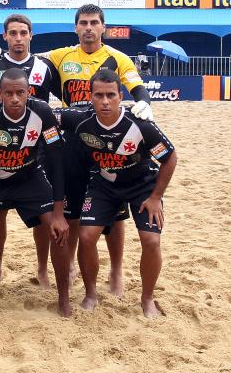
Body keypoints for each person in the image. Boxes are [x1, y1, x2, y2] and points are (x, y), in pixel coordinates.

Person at [44, 4, 154, 296]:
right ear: (76, 27)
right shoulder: (61, 56)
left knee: (115, 213)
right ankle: (68, 265)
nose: (89, 27)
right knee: (72, 207)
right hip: (73, 139)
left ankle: (116, 270)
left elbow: (136, 85)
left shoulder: (117, 58)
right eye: (83, 22)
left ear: (103, 27)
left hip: (107, 140)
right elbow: (27, 60)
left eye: (94, 22)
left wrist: (145, 102)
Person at [55, 69, 176, 318]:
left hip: (142, 184)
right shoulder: (80, 119)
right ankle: (90, 294)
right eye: (99, 95)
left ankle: (147, 299)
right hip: (103, 184)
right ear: (90, 97)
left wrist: (155, 198)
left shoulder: (140, 124)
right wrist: (0, 100)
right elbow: (45, 114)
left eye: (111, 95)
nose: (105, 101)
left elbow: (170, 157)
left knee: (151, 240)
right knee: (87, 237)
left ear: (121, 96)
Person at [0, 68, 71, 316]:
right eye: (8, 93)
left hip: (28, 176)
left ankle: (64, 299)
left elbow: (56, 161)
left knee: (58, 229)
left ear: (29, 92)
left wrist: (59, 212)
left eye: (20, 93)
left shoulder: (42, 111)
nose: (15, 99)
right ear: (0, 93)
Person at [0, 14, 62, 286]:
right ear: (4, 36)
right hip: (0, 146)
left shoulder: (44, 67)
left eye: (23, 33)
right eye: (12, 33)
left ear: (30, 35)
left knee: (41, 214)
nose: (18, 38)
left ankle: (42, 269)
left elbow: (60, 100)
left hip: (35, 147)